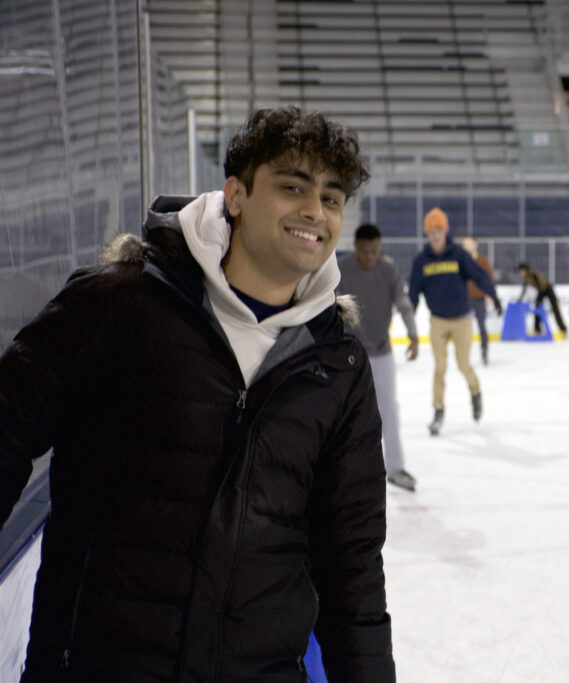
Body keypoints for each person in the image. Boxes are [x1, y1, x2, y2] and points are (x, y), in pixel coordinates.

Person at [0, 106, 396, 682]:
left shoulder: (337, 366)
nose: (315, 211)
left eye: (332, 199)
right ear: (235, 194)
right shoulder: (119, 306)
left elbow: (352, 565)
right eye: (293, 187)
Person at [338, 223, 419, 491]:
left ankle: (395, 468)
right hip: (350, 355)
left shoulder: (388, 270)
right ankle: (344, 469)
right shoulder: (342, 270)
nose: (370, 257)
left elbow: (404, 304)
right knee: (346, 412)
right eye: (365, 252)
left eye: (375, 252)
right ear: (357, 247)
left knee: (388, 410)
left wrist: (414, 334)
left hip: (382, 353)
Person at [409, 207, 501, 436]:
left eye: (439, 230)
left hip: (462, 321)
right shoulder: (421, 261)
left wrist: (494, 295)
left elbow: (479, 276)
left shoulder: (459, 254)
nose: (436, 234)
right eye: (431, 231)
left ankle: (475, 393)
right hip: (437, 321)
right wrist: (410, 324)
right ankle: (438, 411)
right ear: (427, 234)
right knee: (439, 368)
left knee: (463, 365)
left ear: (445, 231)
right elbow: (412, 294)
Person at [461, 235, 497, 365]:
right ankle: (463, 354)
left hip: (479, 299)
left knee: (482, 326)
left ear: (475, 244)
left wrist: (489, 295)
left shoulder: (482, 260)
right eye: (464, 244)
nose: (466, 246)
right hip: (465, 300)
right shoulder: (461, 260)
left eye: (468, 243)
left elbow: (489, 278)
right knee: (463, 329)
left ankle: (484, 350)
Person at [516, 262, 569, 339]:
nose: (521, 273)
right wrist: (520, 299)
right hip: (541, 291)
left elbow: (541, 286)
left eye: (522, 271)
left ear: (526, 270)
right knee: (537, 308)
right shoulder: (526, 278)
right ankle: (537, 329)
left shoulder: (533, 275)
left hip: (547, 289)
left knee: (555, 309)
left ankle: (564, 330)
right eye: (520, 272)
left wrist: (538, 299)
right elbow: (524, 289)